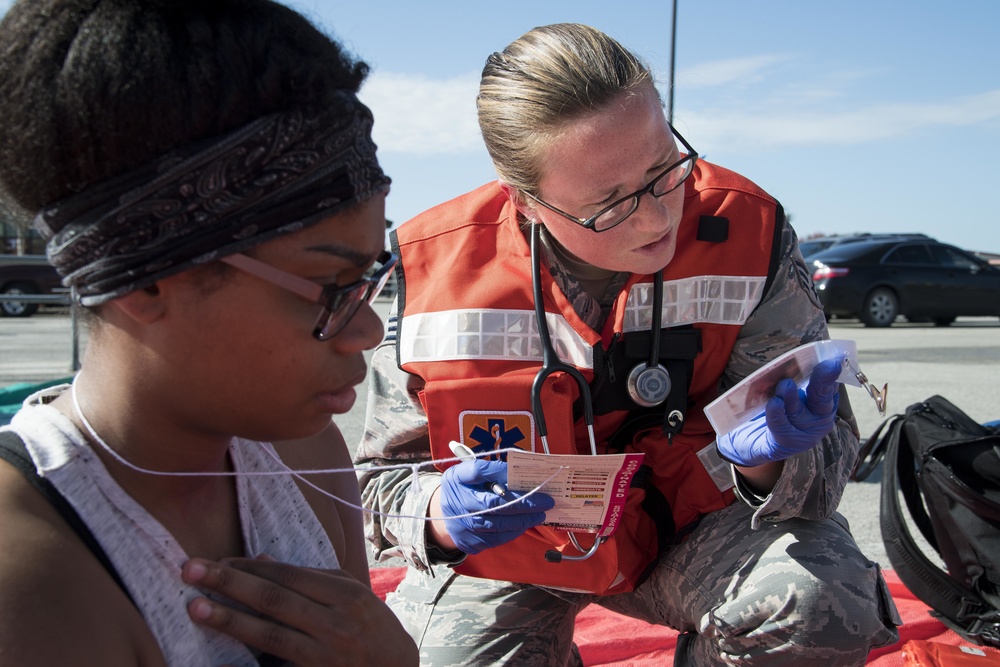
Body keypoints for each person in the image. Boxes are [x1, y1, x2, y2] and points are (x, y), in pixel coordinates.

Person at [356, 23, 901, 666]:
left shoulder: (749, 232)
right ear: (524, 202)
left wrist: (771, 464)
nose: (656, 216)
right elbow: (376, 484)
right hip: (517, 547)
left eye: (664, 167)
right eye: (609, 203)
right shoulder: (435, 268)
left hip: (696, 527)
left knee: (816, 600)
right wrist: (438, 516)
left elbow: (831, 457)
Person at [0, 1, 418, 665]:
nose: (367, 329)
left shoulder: (305, 456)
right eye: (334, 287)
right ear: (146, 281)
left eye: (373, 276)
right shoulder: (34, 574)